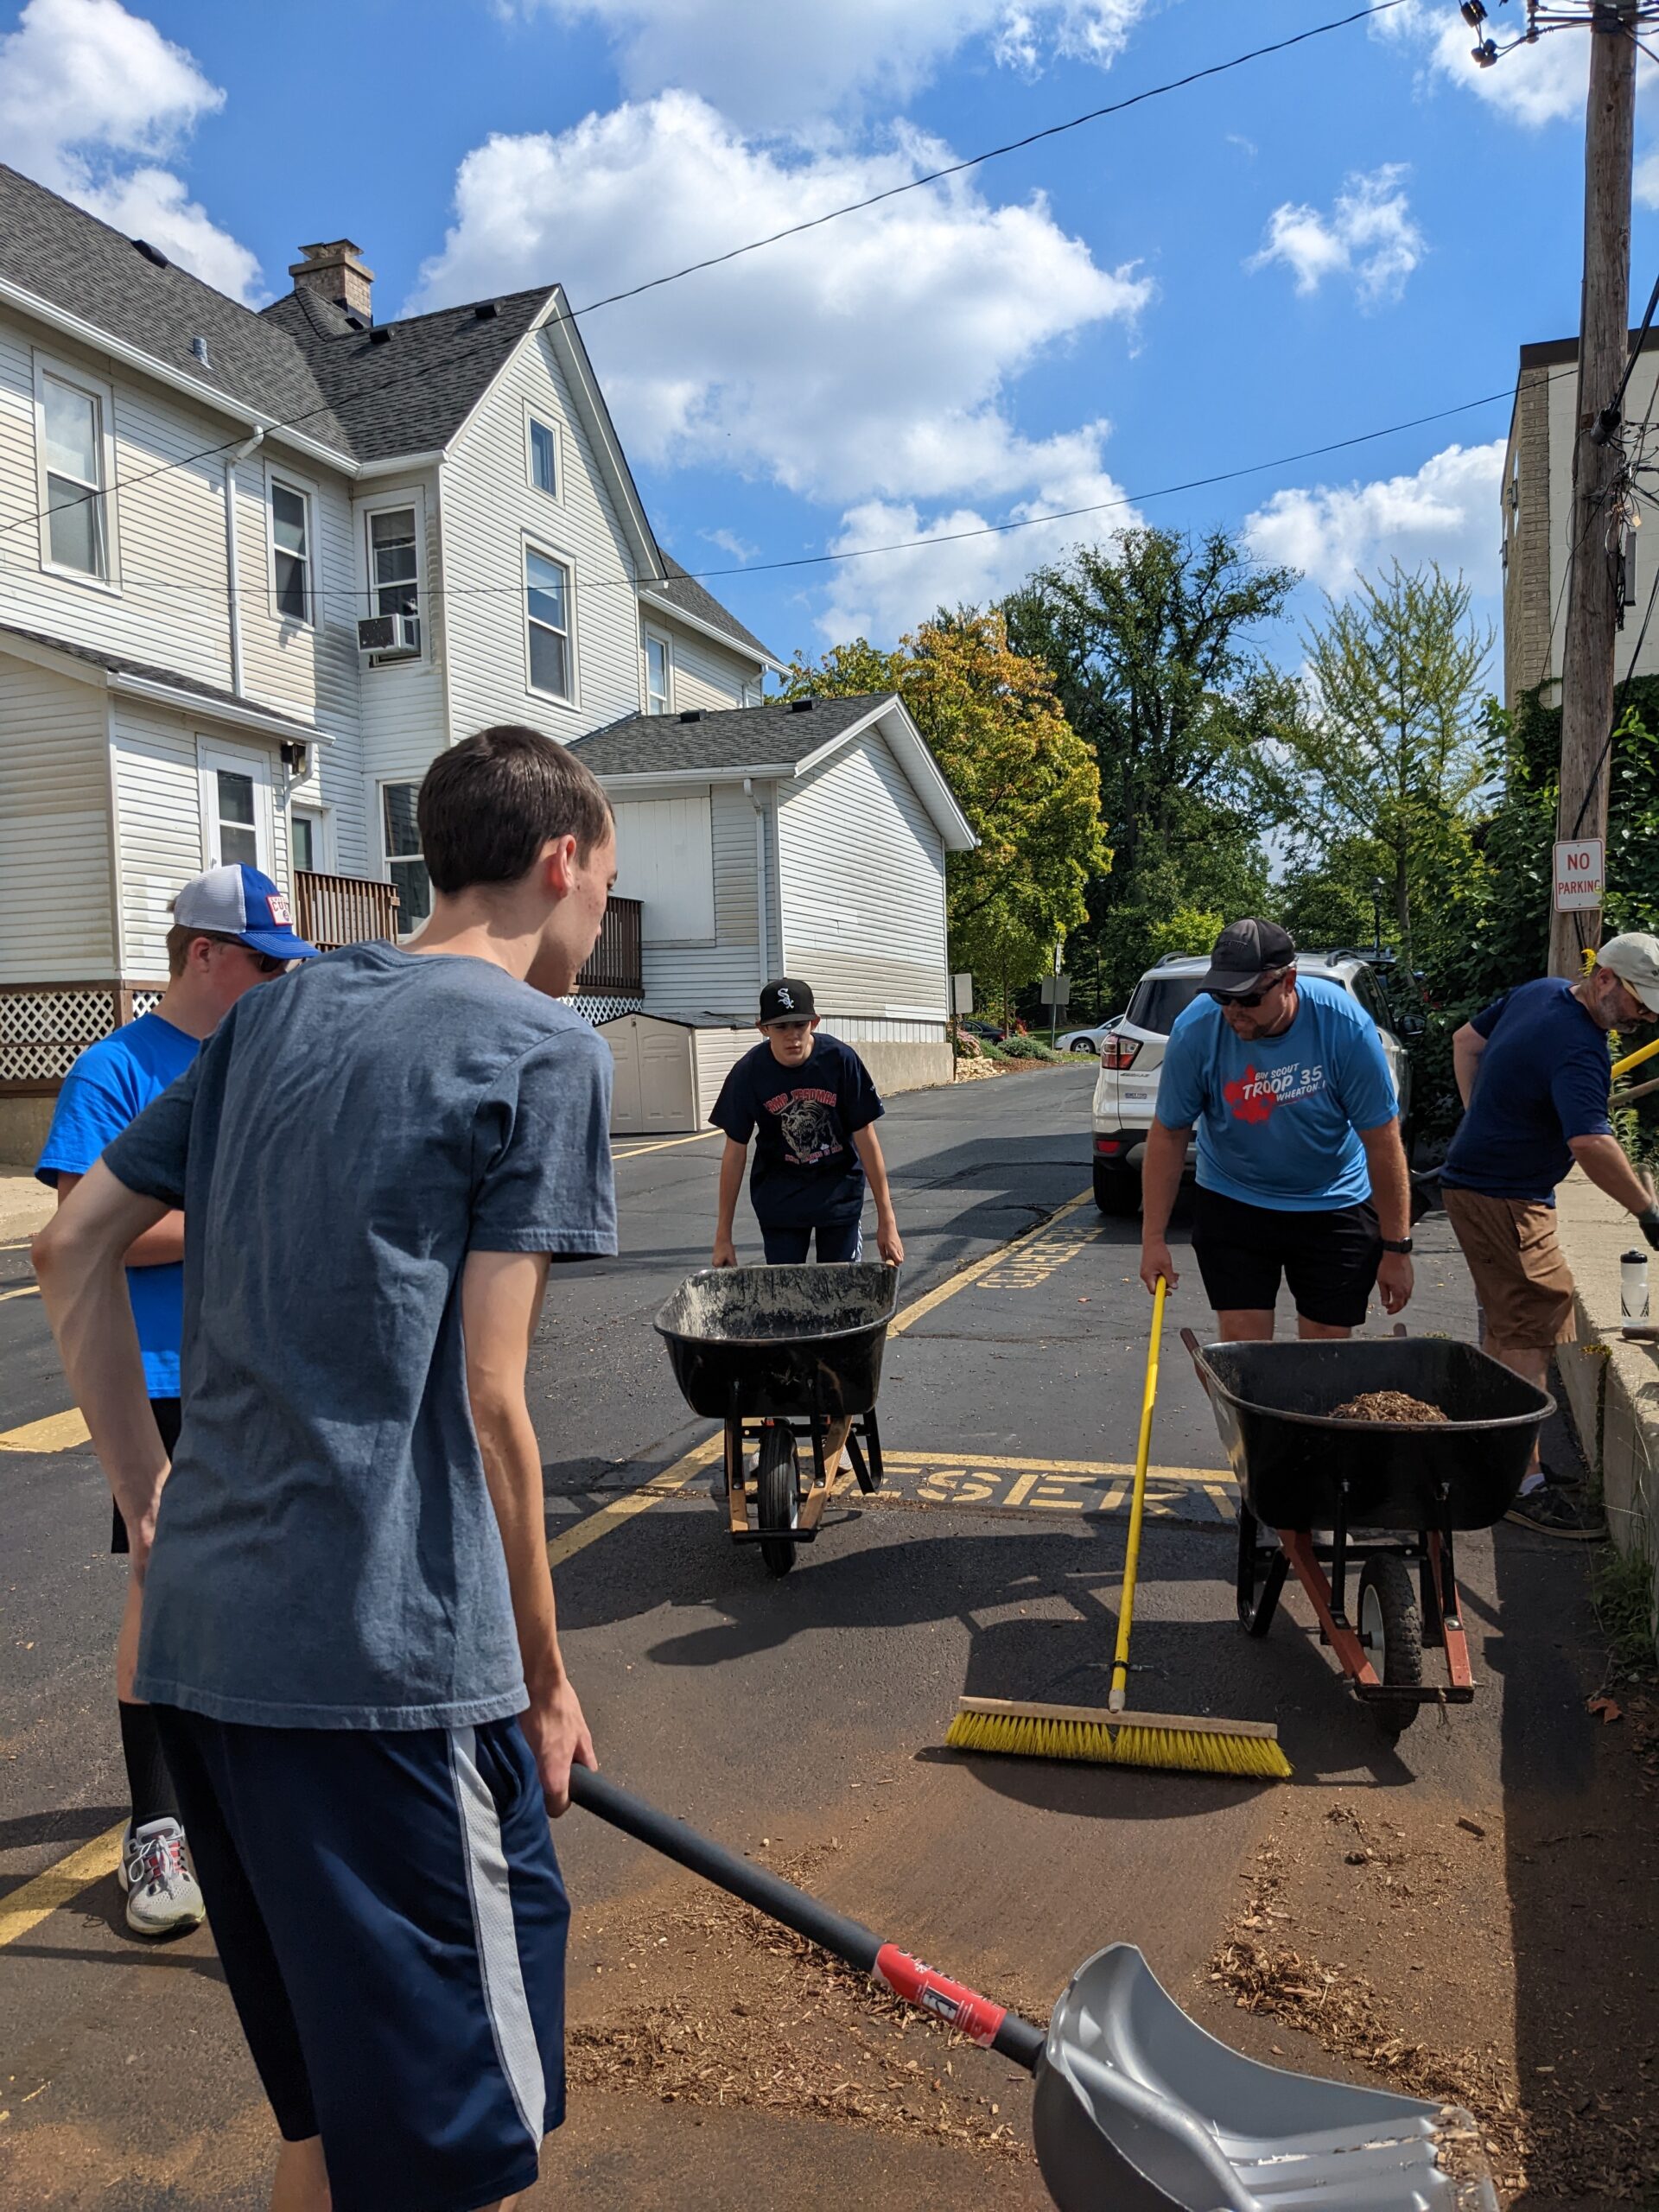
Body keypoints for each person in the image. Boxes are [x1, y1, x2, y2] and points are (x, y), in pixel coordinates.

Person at [33, 726, 617, 2212]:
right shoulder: (543, 1047)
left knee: (333, 2134)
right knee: (460, 2155)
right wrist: (546, 1680)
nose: (599, 917)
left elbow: (69, 1246)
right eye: (606, 886)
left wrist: (151, 1505)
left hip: (207, 1650)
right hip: (387, 1675)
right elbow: (491, 1396)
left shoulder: (263, 1024)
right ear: (562, 861)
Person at [35, 863, 317, 1938]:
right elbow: (92, 1232)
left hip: (264, 1367)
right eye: (263, 963)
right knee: (163, 1585)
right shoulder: (115, 1069)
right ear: (204, 954)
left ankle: (254, 1796)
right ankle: (157, 1823)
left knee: (277, 1582)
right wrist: (249, 1217)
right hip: (157, 1378)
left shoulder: (270, 1060)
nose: (278, 983)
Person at [1440, 935, 1659, 1539]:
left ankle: (1493, 1455)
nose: (1645, 1017)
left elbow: (1465, 1042)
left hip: (1482, 1185)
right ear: (1605, 978)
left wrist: (1480, 1118)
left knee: (1509, 1322)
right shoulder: (1581, 1047)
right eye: (1640, 1001)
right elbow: (1590, 1142)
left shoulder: (1541, 993)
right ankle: (1520, 1482)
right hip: (1506, 1197)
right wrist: (1647, 1210)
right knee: (1536, 1315)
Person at [1140, 918, 1414, 1338]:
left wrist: (1396, 1248)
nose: (1233, 1011)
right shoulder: (1197, 1028)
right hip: (1234, 1197)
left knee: (1326, 1345)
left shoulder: (1344, 1026)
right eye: (1222, 996)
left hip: (1332, 1198)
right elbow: (1169, 1133)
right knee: (1243, 1347)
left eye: (1248, 998)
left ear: (1288, 980)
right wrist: (1153, 1239)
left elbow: (1382, 1141)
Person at [709, 978, 903, 1272]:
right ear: (762, 1028)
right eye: (781, 1027)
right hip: (780, 1198)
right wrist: (723, 1235)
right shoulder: (749, 1073)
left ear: (814, 1022)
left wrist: (887, 1220)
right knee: (786, 1292)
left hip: (838, 1193)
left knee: (841, 1288)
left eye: (800, 1025)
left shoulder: (840, 1060)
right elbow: (735, 1151)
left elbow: (866, 1137)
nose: (792, 1036)